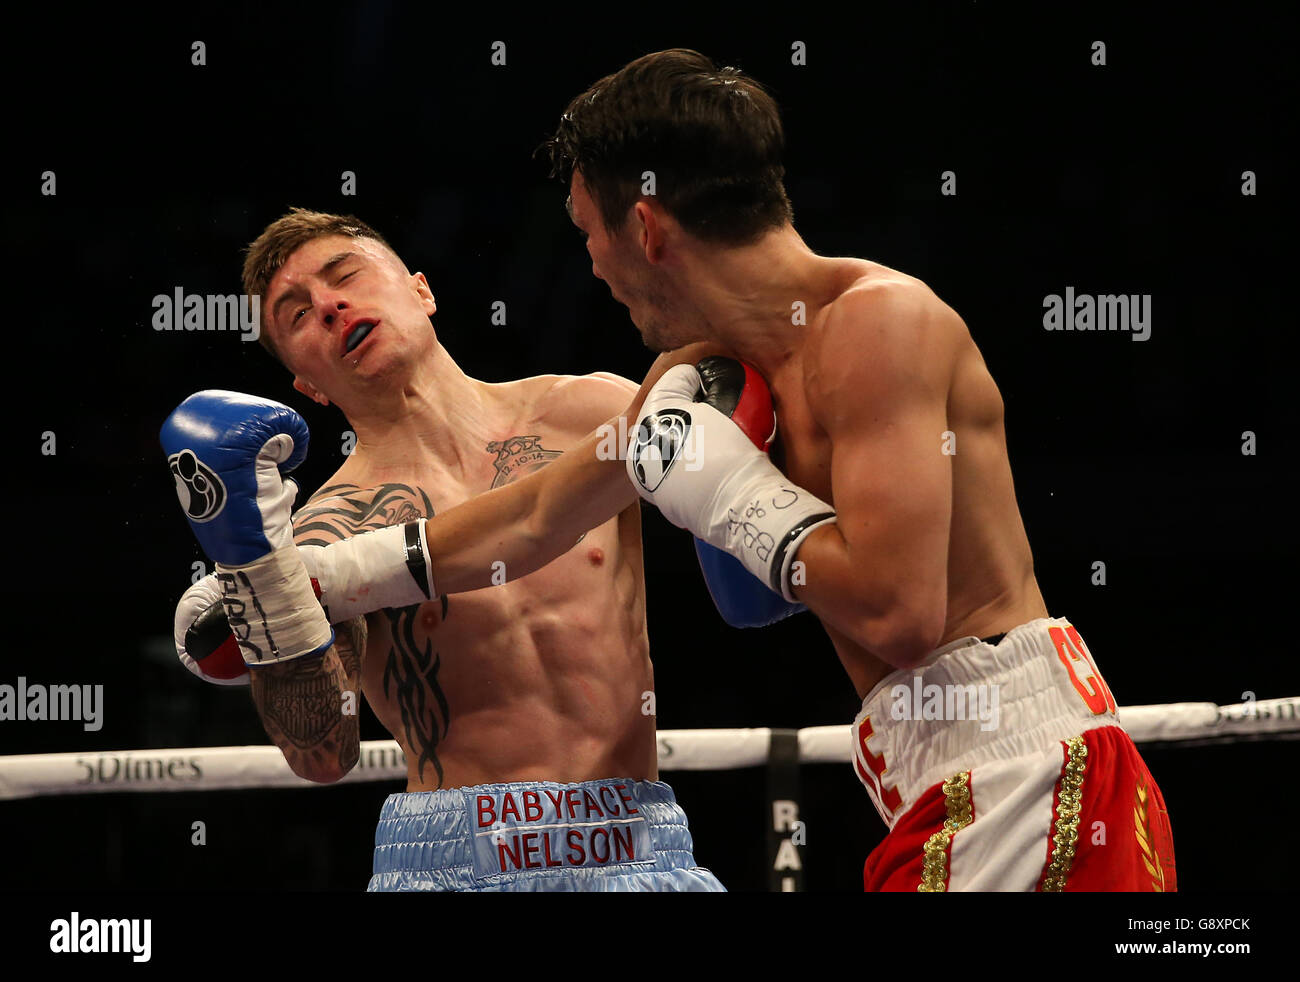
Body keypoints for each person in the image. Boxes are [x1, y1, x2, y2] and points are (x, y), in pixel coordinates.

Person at [348, 48, 1177, 891]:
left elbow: (901, 614)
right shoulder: (701, 373)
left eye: (588, 231)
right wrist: (322, 575)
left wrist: (734, 492)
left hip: (1027, 769)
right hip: (934, 781)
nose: (591, 262)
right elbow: (533, 519)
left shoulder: (879, 327)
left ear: (646, 228)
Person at [163, 208, 724, 892]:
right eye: (298, 316)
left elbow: (741, 551)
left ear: (421, 290)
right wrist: (257, 577)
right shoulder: (327, 533)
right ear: (306, 386)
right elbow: (321, 756)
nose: (333, 306)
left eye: (347, 277)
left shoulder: (594, 414)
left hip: (639, 840)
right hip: (456, 855)